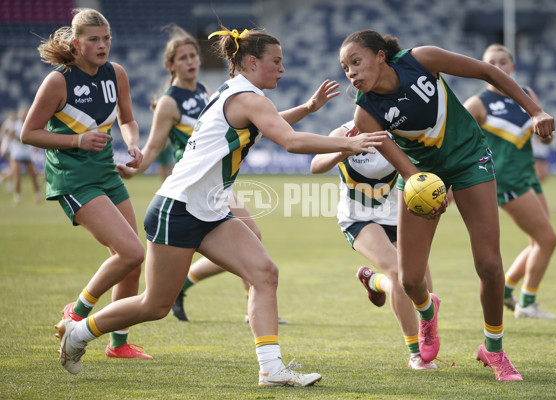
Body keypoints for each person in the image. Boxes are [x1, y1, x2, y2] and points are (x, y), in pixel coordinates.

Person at [53, 26, 387, 386]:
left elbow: (268, 127)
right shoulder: (250, 98)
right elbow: (287, 141)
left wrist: (307, 108)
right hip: (177, 209)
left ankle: (271, 369)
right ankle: (80, 332)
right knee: (155, 306)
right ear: (253, 62)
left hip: (208, 209)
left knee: (264, 273)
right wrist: (348, 145)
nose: (282, 69)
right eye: (277, 61)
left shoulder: (238, 92)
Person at [339, 30, 554, 381]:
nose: (350, 72)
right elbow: (409, 174)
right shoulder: (366, 115)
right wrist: (428, 190)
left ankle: (494, 349)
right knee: (409, 280)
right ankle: (428, 313)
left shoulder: (422, 59)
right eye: (345, 67)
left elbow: (489, 73)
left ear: (380, 56)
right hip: (424, 175)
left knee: (488, 262)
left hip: (471, 159)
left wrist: (535, 111)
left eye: (356, 61)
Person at [115, 25, 291, 324]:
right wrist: (136, 170)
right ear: (171, 65)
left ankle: (254, 304)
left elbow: (261, 124)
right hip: (193, 182)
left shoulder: (208, 91)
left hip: (216, 179)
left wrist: (309, 107)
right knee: (156, 302)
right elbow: (155, 145)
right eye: (183, 58)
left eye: (194, 55)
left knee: (255, 244)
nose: (191, 61)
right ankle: (194, 287)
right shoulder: (170, 102)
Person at [21, 8, 152, 359]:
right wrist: (78, 141)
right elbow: (28, 133)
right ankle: (75, 314)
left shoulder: (117, 74)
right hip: (74, 179)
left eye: (106, 38)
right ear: (77, 44)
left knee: (131, 261)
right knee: (132, 252)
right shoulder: (58, 81)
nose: (102, 45)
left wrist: (134, 144)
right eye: (94, 39)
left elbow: (127, 118)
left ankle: (118, 344)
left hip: (106, 173)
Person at [311, 120, 437, 370]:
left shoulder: (401, 133)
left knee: (422, 285)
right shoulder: (344, 132)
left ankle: (374, 281)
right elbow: (315, 165)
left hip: (398, 218)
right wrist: (341, 152)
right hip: (358, 219)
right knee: (400, 273)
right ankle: (416, 354)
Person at [463, 44, 556, 319]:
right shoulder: (478, 103)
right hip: (505, 179)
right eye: (490, 63)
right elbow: (458, 140)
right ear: (482, 69)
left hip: (527, 174)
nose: (497, 67)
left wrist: (547, 133)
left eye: (502, 62)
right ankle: (527, 305)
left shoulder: (526, 94)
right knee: (547, 240)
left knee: (539, 240)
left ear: (512, 67)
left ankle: (506, 291)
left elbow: (543, 136)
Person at [4, 106, 42, 204]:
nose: (23, 116)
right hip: (17, 153)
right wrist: (19, 140)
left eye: (25, 114)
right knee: (17, 175)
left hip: (27, 154)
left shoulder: (29, 124)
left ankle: (37, 195)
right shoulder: (15, 125)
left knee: (33, 175)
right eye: (22, 115)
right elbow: (11, 135)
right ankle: (17, 196)